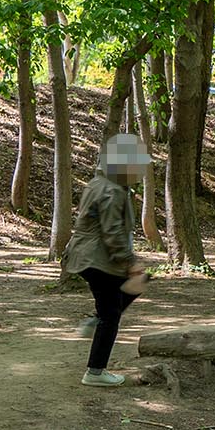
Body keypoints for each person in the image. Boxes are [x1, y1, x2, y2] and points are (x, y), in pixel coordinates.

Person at [64, 133, 152, 388]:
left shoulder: (98, 183)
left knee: (138, 284)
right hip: (98, 259)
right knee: (112, 314)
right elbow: (112, 232)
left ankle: (96, 319)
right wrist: (129, 262)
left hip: (86, 257)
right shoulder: (112, 191)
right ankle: (95, 371)